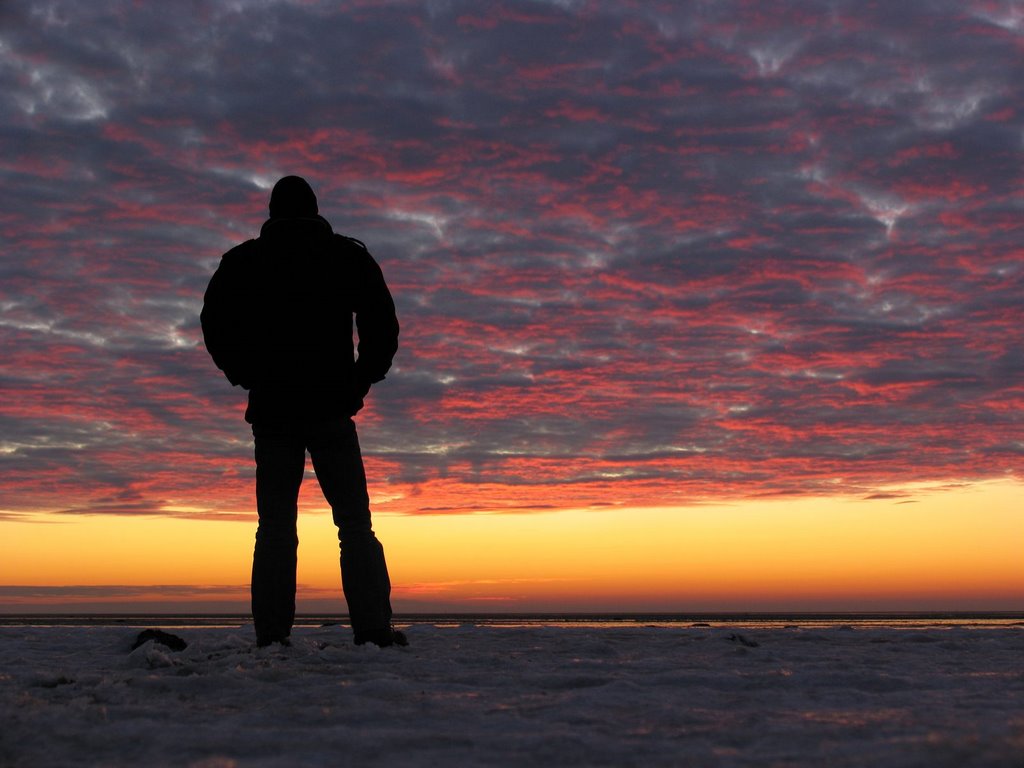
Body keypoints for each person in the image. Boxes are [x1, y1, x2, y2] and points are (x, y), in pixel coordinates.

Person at [200, 175, 406, 648]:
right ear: (314, 209)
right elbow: (382, 325)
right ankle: (373, 630)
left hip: (278, 409)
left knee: (276, 526)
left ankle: (273, 636)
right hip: (327, 407)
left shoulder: (246, 261)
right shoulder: (345, 256)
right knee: (353, 523)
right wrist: (359, 380)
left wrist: (246, 373)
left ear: (273, 212)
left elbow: (215, 325)